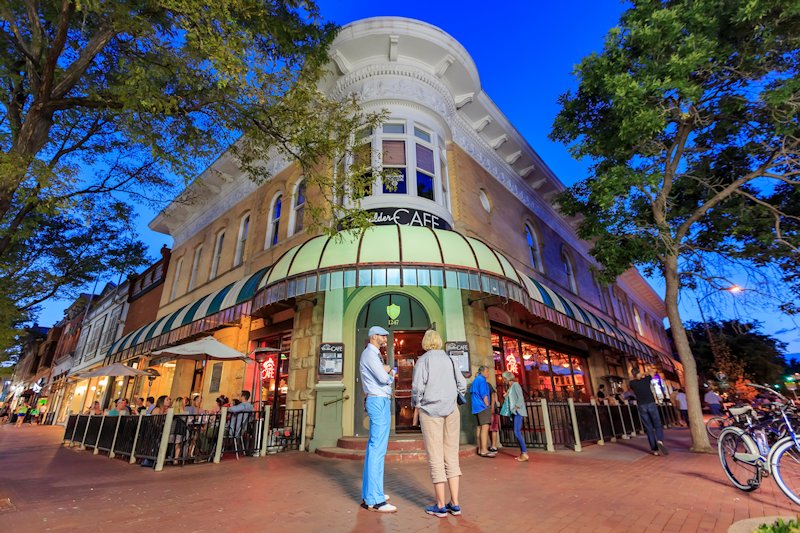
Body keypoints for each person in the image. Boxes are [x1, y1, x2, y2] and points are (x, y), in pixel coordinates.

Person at [411, 329, 467, 518]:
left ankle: (441, 505)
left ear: (426, 342)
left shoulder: (423, 360)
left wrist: (417, 405)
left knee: (436, 457)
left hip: (430, 412)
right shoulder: (450, 359)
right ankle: (456, 503)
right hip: (452, 411)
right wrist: (453, 398)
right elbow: (462, 385)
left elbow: (417, 387)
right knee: (451, 455)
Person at [359, 325, 397, 513]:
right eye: (383, 335)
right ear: (374, 337)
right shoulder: (370, 355)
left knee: (375, 448)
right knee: (377, 449)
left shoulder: (372, 355)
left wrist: (386, 371)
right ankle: (376, 499)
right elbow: (383, 378)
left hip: (377, 401)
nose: (385, 338)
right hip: (378, 401)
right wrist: (389, 372)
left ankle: (371, 494)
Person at [629, 368, 669, 456]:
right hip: (651, 404)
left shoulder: (632, 383)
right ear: (639, 372)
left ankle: (654, 449)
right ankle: (659, 440)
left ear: (632, 375)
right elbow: (653, 372)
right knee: (657, 424)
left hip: (641, 406)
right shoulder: (646, 379)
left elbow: (633, 386)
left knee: (648, 427)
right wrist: (644, 373)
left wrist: (638, 376)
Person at [501, 372, 529, 462]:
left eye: (504, 378)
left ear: (508, 378)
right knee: (516, 431)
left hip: (517, 411)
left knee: (517, 432)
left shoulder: (515, 385)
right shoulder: (511, 387)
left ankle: (524, 453)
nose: (503, 380)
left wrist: (516, 408)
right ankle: (523, 453)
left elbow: (520, 398)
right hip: (515, 412)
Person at [470, 365, 494, 457]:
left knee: (479, 428)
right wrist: (487, 405)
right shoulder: (482, 380)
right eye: (487, 371)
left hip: (475, 407)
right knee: (485, 427)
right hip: (482, 406)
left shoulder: (475, 380)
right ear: (482, 372)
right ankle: (484, 450)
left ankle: (480, 449)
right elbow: (484, 394)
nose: (488, 373)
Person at [488, 383, 500, 453]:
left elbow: (493, 395)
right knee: (490, 428)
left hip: (492, 409)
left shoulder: (487, 384)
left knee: (493, 428)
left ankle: (494, 446)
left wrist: (492, 407)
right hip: (488, 409)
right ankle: (492, 445)